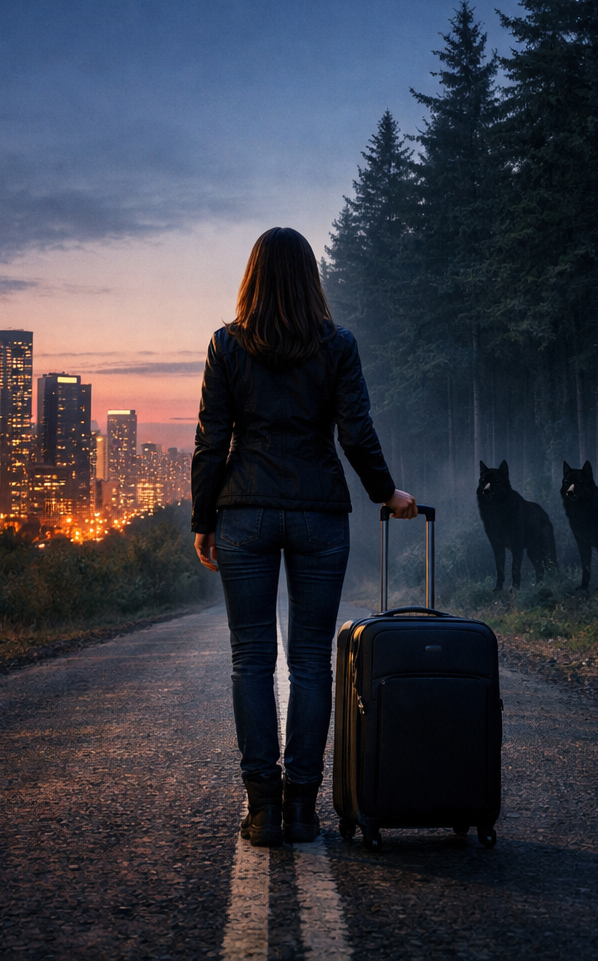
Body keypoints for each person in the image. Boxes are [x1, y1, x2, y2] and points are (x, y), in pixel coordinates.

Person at [192, 227, 416, 847]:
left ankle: (261, 809)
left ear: (252, 277)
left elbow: (212, 439)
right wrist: (386, 493)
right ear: (311, 277)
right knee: (312, 663)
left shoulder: (226, 346)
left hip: (245, 512)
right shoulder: (337, 345)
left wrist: (203, 519)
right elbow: (355, 431)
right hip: (319, 511)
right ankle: (300, 810)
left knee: (252, 660)